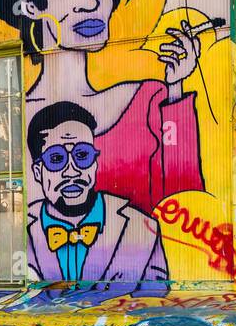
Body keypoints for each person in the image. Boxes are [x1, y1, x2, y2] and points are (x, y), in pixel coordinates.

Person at [0, 0, 206, 213]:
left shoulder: (149, 98)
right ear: (32, 5)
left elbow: (188, 200)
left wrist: (176, 90)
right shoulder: (19, 117)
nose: (90, 2)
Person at [26, 101, 168, 291]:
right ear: (37, 171)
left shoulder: (142, 227)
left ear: (95, 164)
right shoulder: (21, 230)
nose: (72, 171)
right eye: (56, 158)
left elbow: (156, 303)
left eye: (82, 155)